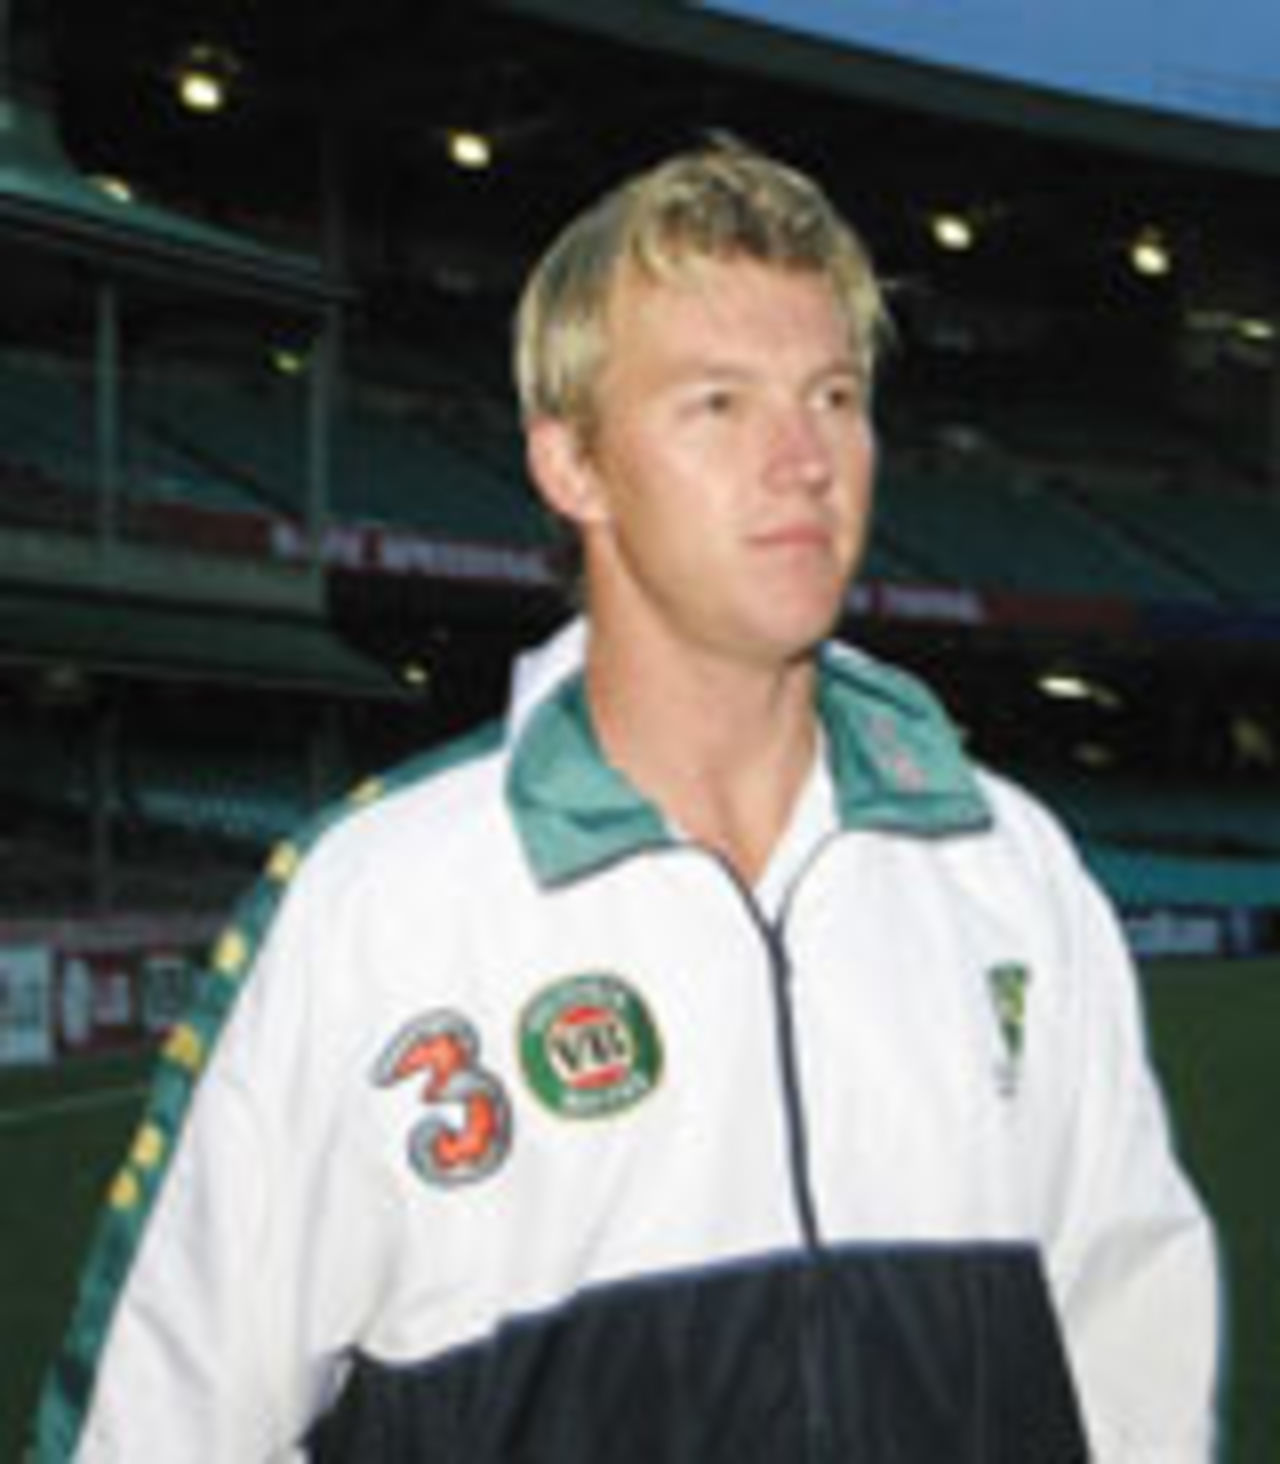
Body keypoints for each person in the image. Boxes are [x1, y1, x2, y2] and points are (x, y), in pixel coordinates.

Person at [36, 140, 1218, 1462]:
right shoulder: (374, 907)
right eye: (719, 404)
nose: (805, 459)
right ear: (573, 468)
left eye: (832, 396)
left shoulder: (1008, 869)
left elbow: (1138, 1354)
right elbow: (158, 1427)